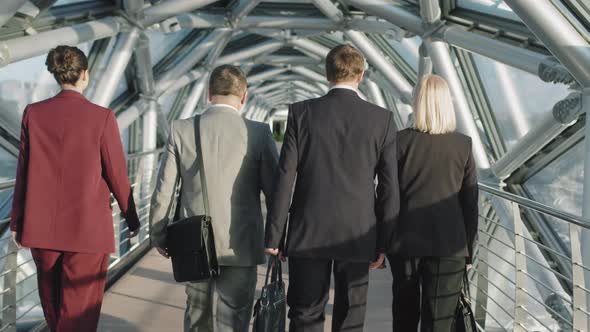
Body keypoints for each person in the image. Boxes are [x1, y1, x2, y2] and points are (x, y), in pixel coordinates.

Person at [265, 44, 400, 332]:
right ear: (361, 75)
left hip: (308, 231)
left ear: (327, 73)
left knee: (305, 313)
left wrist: (275, 234)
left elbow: (285, 176)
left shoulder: (301, 113)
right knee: (351, 317)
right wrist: (383, 243)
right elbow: (389, 187)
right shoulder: (382, 119)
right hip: (358, 232)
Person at [9, 45, 140, 332]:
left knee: (55, 312)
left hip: (42, 229)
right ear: (85, 75)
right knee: (78, 315)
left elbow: (23, 171)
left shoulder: (34, 113)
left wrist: (17, 220)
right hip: (87, 232)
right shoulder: (102, 117)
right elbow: (117, 174)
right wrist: (132, 218)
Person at [150, 65, 278, 332]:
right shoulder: (258, 132)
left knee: (197, 315)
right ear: (244, 96)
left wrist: (159, 234)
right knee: (235, 317)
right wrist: (277, 238)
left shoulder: (181, 129)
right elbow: (275, 192)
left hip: (193, 241)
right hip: (240, 243)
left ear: (209, 93)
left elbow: (164, 188)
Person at [388, 74, 479, 332]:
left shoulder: (399, 141)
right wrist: (469, 249)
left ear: (418, 103)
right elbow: (470, 202)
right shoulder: (463, 145)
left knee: (403, 317)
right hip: (450, 246)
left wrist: (383, 240)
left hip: (404, 243)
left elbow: (388, 196)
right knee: (438, 322)